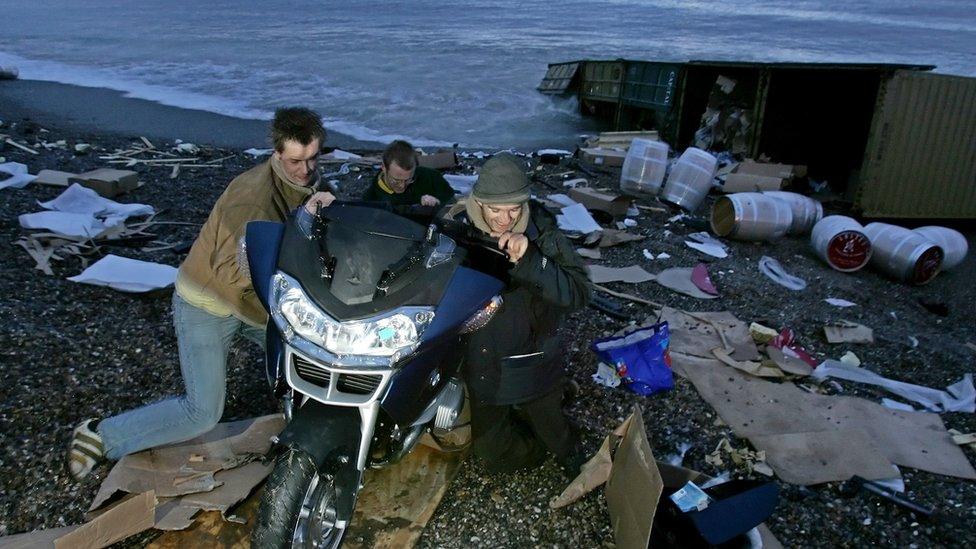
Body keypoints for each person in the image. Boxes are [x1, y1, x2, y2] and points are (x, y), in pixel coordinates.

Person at [67, 107, 336, 480]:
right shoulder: (252, 198)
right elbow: (235, 270)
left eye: (312, 159)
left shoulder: (313, 186)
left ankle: (318, 435)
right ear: (276, 153)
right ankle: (100, 435)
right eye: (295, 161)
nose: (305, 170)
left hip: (255, 307)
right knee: (203, 412)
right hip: (208, 302)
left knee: (314, 362)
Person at [447, 154, 591, 475]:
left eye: (514, 210)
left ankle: (567, 444)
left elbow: (578, 292)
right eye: (495, 210)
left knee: (560, 439)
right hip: (483, 364)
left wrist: (531, 259)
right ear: (478, 202)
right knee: (491, 454)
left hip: (532, 359)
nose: (505, 220)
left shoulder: (543, 234)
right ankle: (532, 443)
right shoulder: (456, 227)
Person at [362, 139, 455, 207]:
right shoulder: (372, 197)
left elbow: (453, 203)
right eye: (396, 180)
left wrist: (437, 202)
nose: (402, 186)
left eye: (408, 180)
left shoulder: (432, 177)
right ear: (384, 168)